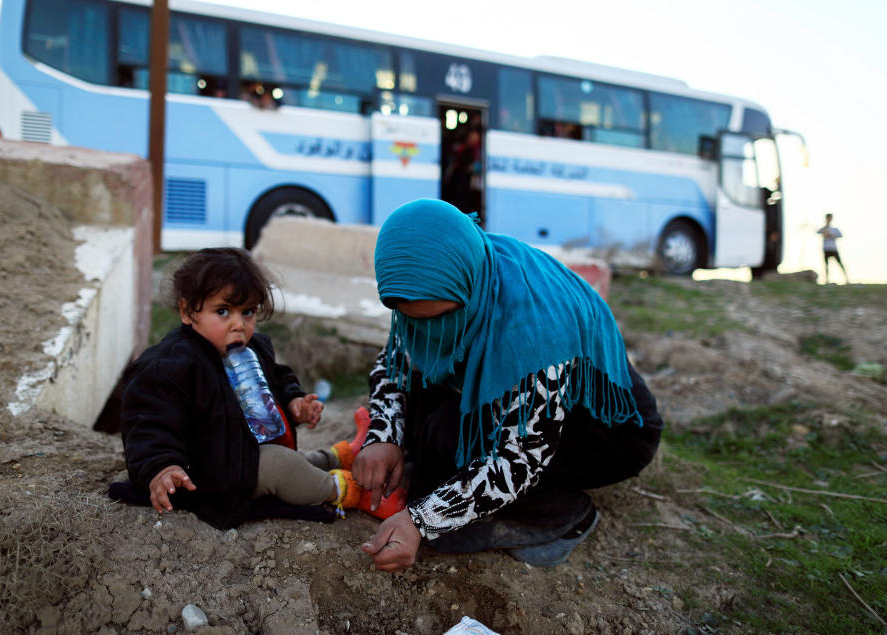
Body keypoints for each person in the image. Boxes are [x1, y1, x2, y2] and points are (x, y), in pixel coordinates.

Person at [355, 199, 664, 571]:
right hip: (523, 393)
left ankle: (566, 516)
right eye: (412, 321)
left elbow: (521, 457)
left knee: (443, 472)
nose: (429, 336)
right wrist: (384, 436)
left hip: (605, 431)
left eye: (442, 320)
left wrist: (422, 521)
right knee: (434, 445)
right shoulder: (446, 272)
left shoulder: (534, 331)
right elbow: (397, 362)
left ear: (466, 290)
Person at [119, 247, 402, 530]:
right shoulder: (168, 368)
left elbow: (278, 378)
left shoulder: (253, 348)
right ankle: (348, 490)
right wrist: (163, 467)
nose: (238, 325)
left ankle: (340, 457)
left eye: (248, 312)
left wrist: (294, 401)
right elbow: (148, 425)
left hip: (243, 451)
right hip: (206, 474)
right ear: (187, 311)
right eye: (223, 312)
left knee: (290, 460)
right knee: (280, 466)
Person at [817, 213, 849, 284]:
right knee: (826, 265)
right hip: (826, 249)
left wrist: (831, 234)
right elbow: (817, 231)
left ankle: (846, 279)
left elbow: (840, 235)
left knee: (840, 264)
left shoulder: (834, 229)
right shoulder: (824, 228)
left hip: (833, 249)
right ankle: (827, 280)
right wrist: (826, 228)